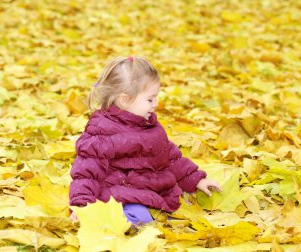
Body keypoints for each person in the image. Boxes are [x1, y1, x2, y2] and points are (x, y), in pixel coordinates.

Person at [69, 56, 221, 225]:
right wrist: (82, 205)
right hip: (121, 195)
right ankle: (117, 223)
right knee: (138, 217)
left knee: (177, 207)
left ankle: (155, 215)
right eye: (150, 99)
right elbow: (85, 173)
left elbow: (170, 158)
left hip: (153, 190)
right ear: (124, 100)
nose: (155, 103)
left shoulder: (149, 125)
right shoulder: (101, 133)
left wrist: (197, 179)